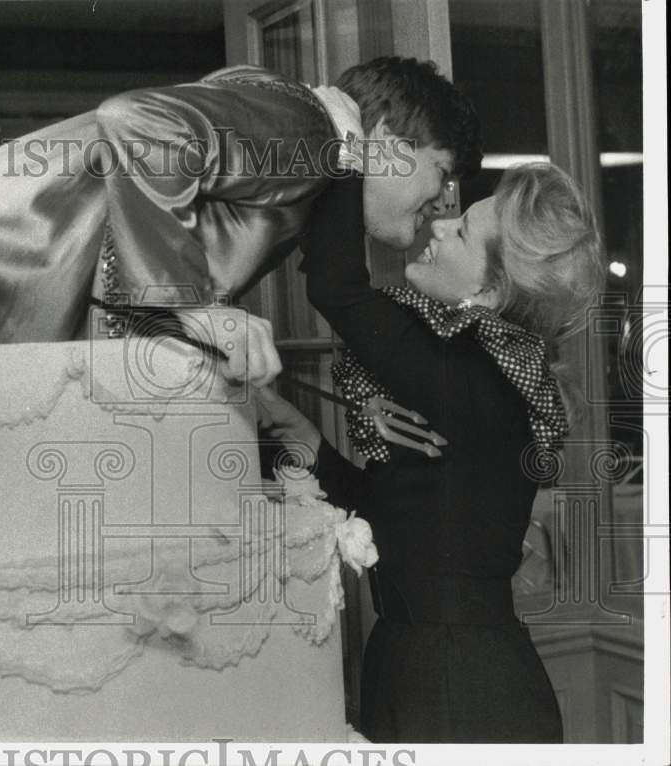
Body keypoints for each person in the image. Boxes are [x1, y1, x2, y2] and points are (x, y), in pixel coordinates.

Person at [0, 58, 481, 388]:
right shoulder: (313, 131)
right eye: (441, 173)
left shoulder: (300, 133)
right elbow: (141, 122)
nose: (444, 202)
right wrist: (196, 306)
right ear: (389, 139)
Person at [258, 157, 604, 742]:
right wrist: (304, 440)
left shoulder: (470, 371)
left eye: (463, 230)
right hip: (432, 667)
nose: (438, 226)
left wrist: (346, 150)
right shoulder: (483, 376)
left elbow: (336, 286)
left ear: (489, 288)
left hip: (457, 685)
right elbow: (395, 515)